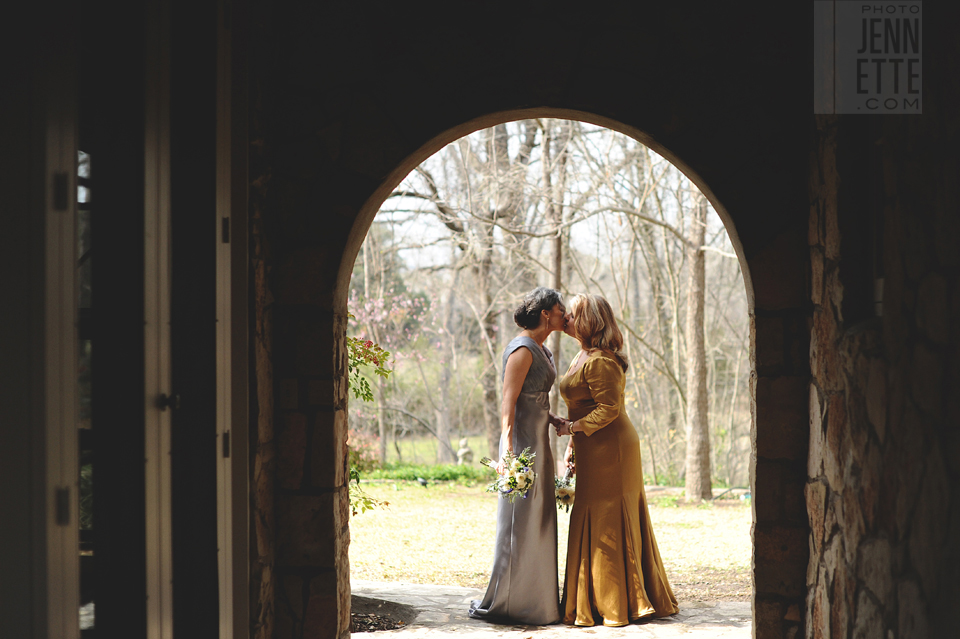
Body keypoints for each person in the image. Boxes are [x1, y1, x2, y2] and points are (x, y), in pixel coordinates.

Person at [553, 293, 678, 627]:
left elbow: (608, 408)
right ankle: (593, 599)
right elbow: (580, 405)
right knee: (590, 515)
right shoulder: (581, 355)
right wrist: (573, 443)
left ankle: (620, 603)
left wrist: (573, 429)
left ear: (590, 320)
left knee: (608, 519)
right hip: (592, 446)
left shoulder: (602, 361)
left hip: (613, 451)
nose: (566, 319)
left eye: (573, 314)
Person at [469, 286, 568, 626]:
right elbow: (508, 402)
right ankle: (510, 600)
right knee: (519, 521)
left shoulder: (545, 350)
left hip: (541, 442)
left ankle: (538, 600)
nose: (564, 315)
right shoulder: (522, 350)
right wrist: (508, 452)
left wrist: (553, 418)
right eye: (560, 310)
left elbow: (536, 396)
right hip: (521, 446)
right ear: (546, 314)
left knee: (539, 519)